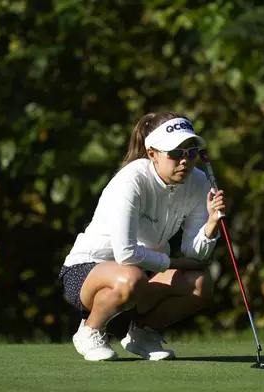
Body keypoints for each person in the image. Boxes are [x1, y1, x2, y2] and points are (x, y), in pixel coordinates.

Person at [58, 111, 226, 361]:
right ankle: (90, 330)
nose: (185, 161)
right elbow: (125, 254)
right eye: (175, 153)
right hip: (86, 270)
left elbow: (195, 253)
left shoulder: (198, 182)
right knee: (131, 279)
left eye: (191, 153)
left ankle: (143, 335)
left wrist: (211, 223)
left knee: (200, 284)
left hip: (142, 272)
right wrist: (173, 263)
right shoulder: (132, 179)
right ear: (152, 154)